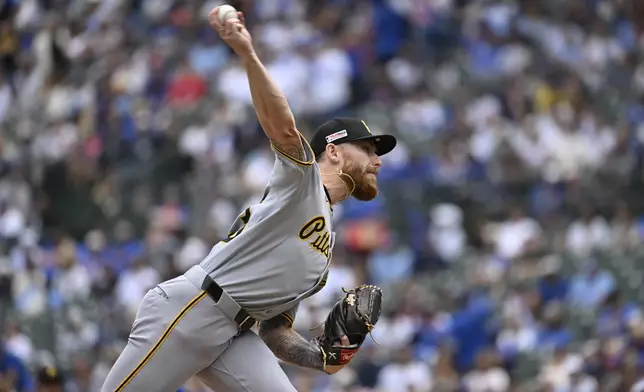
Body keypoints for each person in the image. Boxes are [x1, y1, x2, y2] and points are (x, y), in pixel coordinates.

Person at [100, 7, 396, 392]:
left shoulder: (324, 252)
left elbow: (275, 330)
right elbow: (283, 127)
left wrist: (323, 358)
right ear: (335, 152)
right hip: (193, 309)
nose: (377, 160)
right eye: (368, 149)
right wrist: (248, 55)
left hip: (235, 335)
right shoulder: (302, 181)